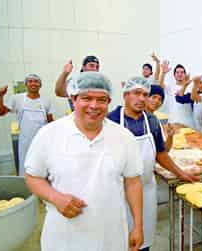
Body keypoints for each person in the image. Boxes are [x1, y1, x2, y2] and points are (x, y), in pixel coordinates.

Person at [24, 72, 144, 251]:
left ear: (109, 102)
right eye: (86, 98)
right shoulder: (49, 134)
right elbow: (32, 177)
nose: (94, 106)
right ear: (73, 99)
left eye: (101, 100)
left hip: (110, 236)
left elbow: (133, 182)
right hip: (64, 236)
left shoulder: (124, 137)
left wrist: (138, 226)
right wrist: (56, 198)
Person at [108, 77, 199, 251]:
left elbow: (160, 153)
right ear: (125, 95)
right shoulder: (110, 122)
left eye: (145, 94)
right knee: (119, 240)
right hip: (117, 192)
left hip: (146, 189)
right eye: (137, 93)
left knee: (144, 238)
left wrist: (181, 173)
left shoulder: (152, 121)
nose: (142, 98)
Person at [0, 74, 54, 175]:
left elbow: (51, 121)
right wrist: (1, 95)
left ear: (40, 85)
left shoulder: (46, 100)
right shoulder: (17, 99)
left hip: (43, 141)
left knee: (43, 167)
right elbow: (0, 112)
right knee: (26, 167)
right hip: (25, 142)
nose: (33, 84)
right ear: (26, 85)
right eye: (30, 81)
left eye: (36, 81)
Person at [158, 61, 195, 128]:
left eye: (182, 72)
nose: (179, 74)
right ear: (174, 75)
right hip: (173, 122)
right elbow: (160, 84)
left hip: (188, 123)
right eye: (177, 72)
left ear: (185, 74)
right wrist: (163, 73)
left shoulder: (190, 88)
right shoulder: (171, 87)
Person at [145, 84, 174, 153]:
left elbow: (165, 150)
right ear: (146, 97)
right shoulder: (140, 119)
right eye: (154, 97)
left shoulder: (155, 121)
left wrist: (170, 136)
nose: (157, 101)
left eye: (160, 99)